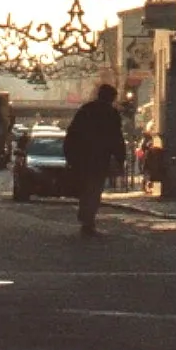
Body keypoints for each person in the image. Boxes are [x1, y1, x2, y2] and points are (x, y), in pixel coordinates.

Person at [64, 82, 126, 238]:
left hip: (82, 158)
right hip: (99, 159)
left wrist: (70, 156)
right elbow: (116, 138)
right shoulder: (111, 113)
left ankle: (86, 217)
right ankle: (87, 219)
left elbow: (72, 134)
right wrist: (120, 157)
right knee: (94, 189)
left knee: (86, 188)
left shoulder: (86, 110)